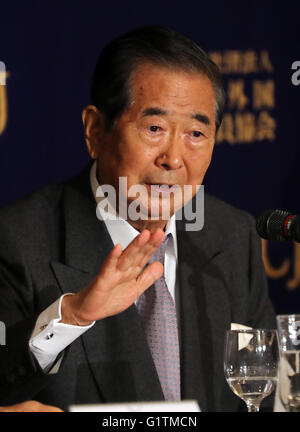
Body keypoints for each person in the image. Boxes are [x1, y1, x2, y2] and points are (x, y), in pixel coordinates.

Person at [0, 26, 276, 412]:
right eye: (154, 129)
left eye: (196, 133)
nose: (174, 159)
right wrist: (73, 315)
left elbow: (259, 396)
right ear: (95, 130)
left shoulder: (232, 235)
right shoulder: (17, 238)